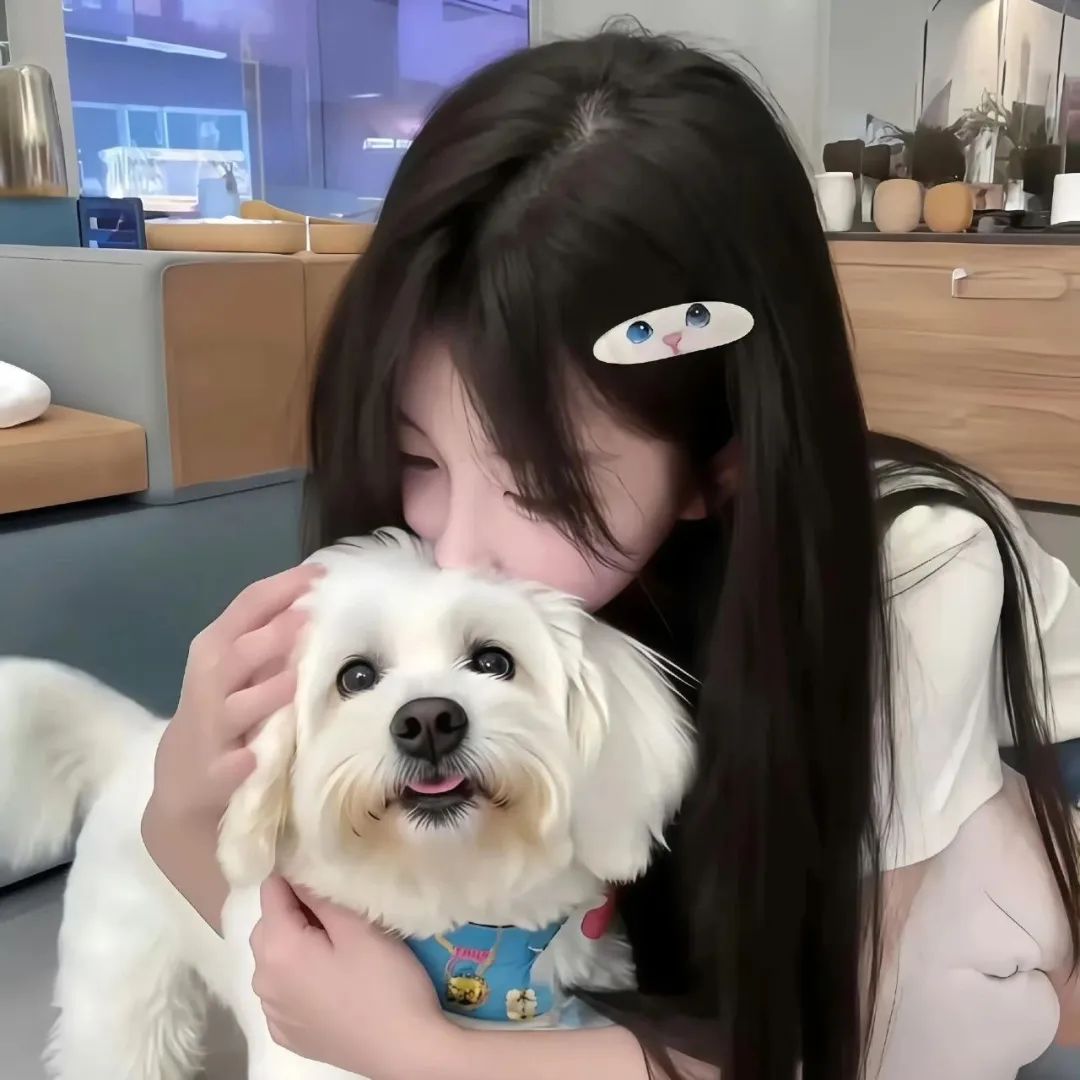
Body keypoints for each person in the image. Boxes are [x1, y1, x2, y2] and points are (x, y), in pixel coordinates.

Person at [142, 29, 1080, 1080]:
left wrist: (422, 1054)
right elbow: (286, 952)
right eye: (418, 457)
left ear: (718, 463)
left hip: (996, 810)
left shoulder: (918, 577)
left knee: (945, 1002)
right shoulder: (451, 586)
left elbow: (834, 1036)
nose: (458, 551)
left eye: (544, 484)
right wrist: (182, 793)